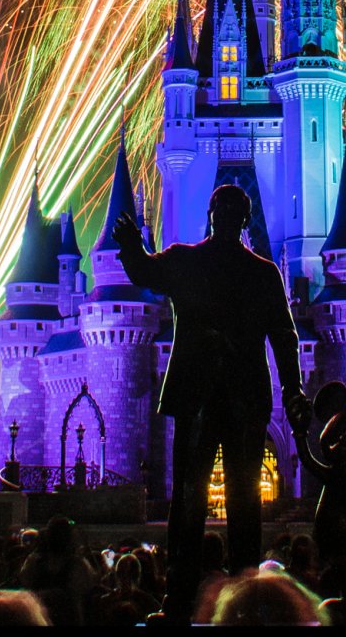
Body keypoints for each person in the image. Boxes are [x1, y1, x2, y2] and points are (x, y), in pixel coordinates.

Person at [111, 183, 309, 617]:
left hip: (212, 399)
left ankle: (206, 597)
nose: (226, 215)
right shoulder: (244, 270)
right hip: (223, 399)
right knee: (211, 498)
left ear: (236, 218)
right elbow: (145, 272)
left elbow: (284, 334)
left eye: (231, 210)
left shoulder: (213, 265)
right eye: (224, 208)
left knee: (216, 499)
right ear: (218, 214)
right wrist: (130, 249)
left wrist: (294, 388)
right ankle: (224, 597)